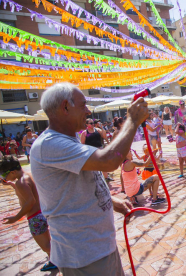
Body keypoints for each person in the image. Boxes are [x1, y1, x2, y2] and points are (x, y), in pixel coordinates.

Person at [30, 82, 148, 274]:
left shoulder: (69, 140)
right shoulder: (49, 144)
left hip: (97, 248)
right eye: (83, 104)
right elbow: (109, 161)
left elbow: (76, 184)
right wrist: (132, 121)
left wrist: (110, 200)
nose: (88, 111)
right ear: (65, 107)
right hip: (83, 256)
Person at [0, 155, 57, 272]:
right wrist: (11, 184)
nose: (4, 177)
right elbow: (28, 190)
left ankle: (62, 260)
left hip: (34, 217)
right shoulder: (27, 175)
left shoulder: (21, 183)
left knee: (45, 246)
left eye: (4, 175)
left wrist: (16, 218)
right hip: (41, 213)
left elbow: (30, 201)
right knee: (48, 242)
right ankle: (53, 261)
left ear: (13, 172)